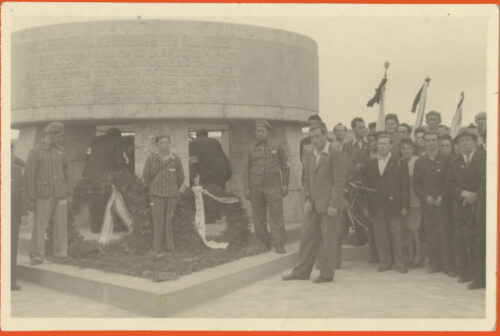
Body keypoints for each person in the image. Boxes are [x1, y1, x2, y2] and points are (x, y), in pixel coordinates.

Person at [282, 122, 346, 283]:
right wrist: (308, 198)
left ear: (325, 135)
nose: (314, 140)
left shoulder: (335, 153)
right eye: (311, 137)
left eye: (317, 136)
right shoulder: (310, 154)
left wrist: (333, 204)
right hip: (313, 206)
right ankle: (301, 272)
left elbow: (339, 182)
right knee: (307, 238)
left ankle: (326, 274)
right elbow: (307, 179)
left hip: (330, 206)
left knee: (329, 241)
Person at [363, 132, 409, 273]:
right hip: (377, 206)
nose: (382, 146)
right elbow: (367, 186)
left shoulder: (400, 161)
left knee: (397, 235)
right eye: (380, 144)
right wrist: (366, 206)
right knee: (380, 235)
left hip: (395, 205)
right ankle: (385, 262)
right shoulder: (371, 163)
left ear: (391, 146)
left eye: (385, 144)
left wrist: (405, 206)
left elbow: (405, 186)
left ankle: (400, 263)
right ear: (377, 145)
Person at [24, 122, 70, 265]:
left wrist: (68, 191)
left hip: (60, 195)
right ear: (51, 134)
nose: (61, 138)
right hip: (43, 196)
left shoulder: (61, 151)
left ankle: (60, 254)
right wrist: (31, 198)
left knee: (61, 225)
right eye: (59, 135)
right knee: (40, 226)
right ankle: (37, 256)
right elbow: (29, 176)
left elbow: (67, 171)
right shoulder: (35, 152)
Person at [242, 120, 290, 254]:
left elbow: (285, 166)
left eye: (263, 131)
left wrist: (285, 184)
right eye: (258, 131)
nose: (260, 133)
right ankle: (263, 243)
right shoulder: (250, 148)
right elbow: (245, 168)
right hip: (255, 186)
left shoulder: (278, 146)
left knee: (276, 215)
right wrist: (246, 187)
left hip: (273, 186)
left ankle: (278, 243)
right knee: (258, 216)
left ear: (268, 132)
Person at [447, 129, 486, 289]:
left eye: (468, 140)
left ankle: (480, 278)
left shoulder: (484, 158)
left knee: (479, 243)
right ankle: (465, 273)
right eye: (461, 141)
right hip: (461, 208)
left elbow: (488, 180)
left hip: (480, 208)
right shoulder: (454, 161)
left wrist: (476, 195)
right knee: (462, 241)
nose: (465, 143)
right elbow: (449, 184)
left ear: (475, 142)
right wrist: (464, 194)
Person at [413, 132, 454, 276]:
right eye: (428, 140)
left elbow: (450, 181)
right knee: (431, 235)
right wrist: (426, 198)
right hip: (428, 204)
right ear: (423, 142)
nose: (431, 142)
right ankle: (435, 264)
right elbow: (416, 185)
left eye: (434, 140)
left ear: (438, 141)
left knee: (445, 235)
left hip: (443, 204)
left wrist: (442, 197)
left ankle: (448, 266)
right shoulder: (420, 161)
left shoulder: (447, 159)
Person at [142, 135, 185, 255]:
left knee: (168, 221)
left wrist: (173, 189)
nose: (164, 145)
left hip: (171, 196)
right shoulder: (151, 159)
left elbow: (181, 177)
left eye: (166, 143)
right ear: (157, 145)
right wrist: (154, 188)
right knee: (157, 222)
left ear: (170, 144)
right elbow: (146, 176)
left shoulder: (175, 159)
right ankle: (157, 249)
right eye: (161, 143)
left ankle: (169, 249)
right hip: (156, 195)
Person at [84, 127, 127, 233]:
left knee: (94, 201)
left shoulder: (95, 140)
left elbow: (87, 155)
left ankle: (95, 227)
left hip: (90, 175)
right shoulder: (117, 142)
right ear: (117, 136)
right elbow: (118, 161)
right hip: (106, 176)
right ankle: (107, 227)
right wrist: (124, 167)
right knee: (107, 201)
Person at [342, 117, 370, 248]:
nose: (363, 129)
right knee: (351, 212)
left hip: (365, 186)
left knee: (364, 212)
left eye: (364, 127)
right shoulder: (347, 146)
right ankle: (354, 240)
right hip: (350, 186)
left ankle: (365, 238)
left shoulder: (369, 145)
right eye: (360, 127)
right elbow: (343, 166)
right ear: (353, 129)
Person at [399, 139, 422, 268]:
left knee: (415, 229)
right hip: (404, 200)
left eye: (408, 148)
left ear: (413, 149)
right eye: (403, 148)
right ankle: (410, 255)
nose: (406, 151)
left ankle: (418, 255)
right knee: (407, 229)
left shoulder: (418, 161)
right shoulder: (400, 162)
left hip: (416, 199)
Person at [11, 144, 25, 290]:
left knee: (12, 248)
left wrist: (24, 213)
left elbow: (21, 192)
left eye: (13, 151)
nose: (12, 154)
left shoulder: (16, 170)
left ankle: (11, 281)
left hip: (13, 216)